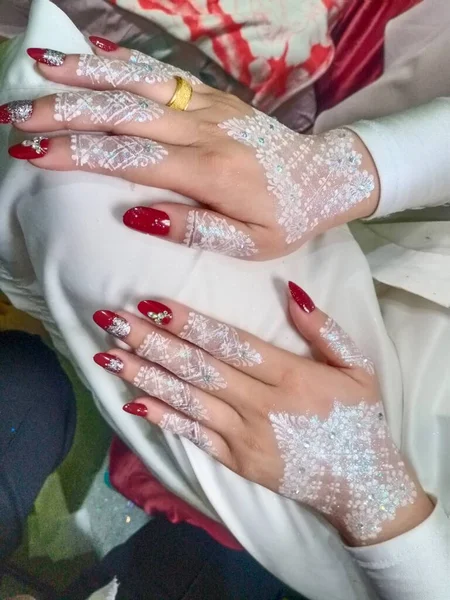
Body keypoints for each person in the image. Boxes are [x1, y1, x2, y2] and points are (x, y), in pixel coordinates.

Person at [0, 0, 448, 599]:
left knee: (81, 189)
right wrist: (350, 168)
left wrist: (378, 508)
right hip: (414, 227)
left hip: (401, 494)